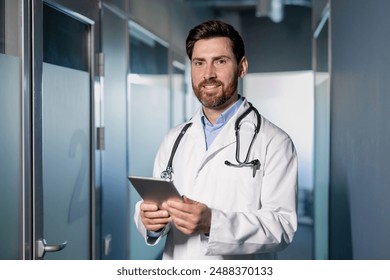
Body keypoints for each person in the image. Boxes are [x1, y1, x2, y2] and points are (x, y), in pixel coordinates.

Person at [134, 19, 298, 260]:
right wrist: (149, 220)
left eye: (220, 61)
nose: (208, 74)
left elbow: (282, 227)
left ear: (242, 67)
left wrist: (213, 223)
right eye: (199, 63)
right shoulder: (174, 139)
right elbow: (157, 211)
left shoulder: (274, 142)